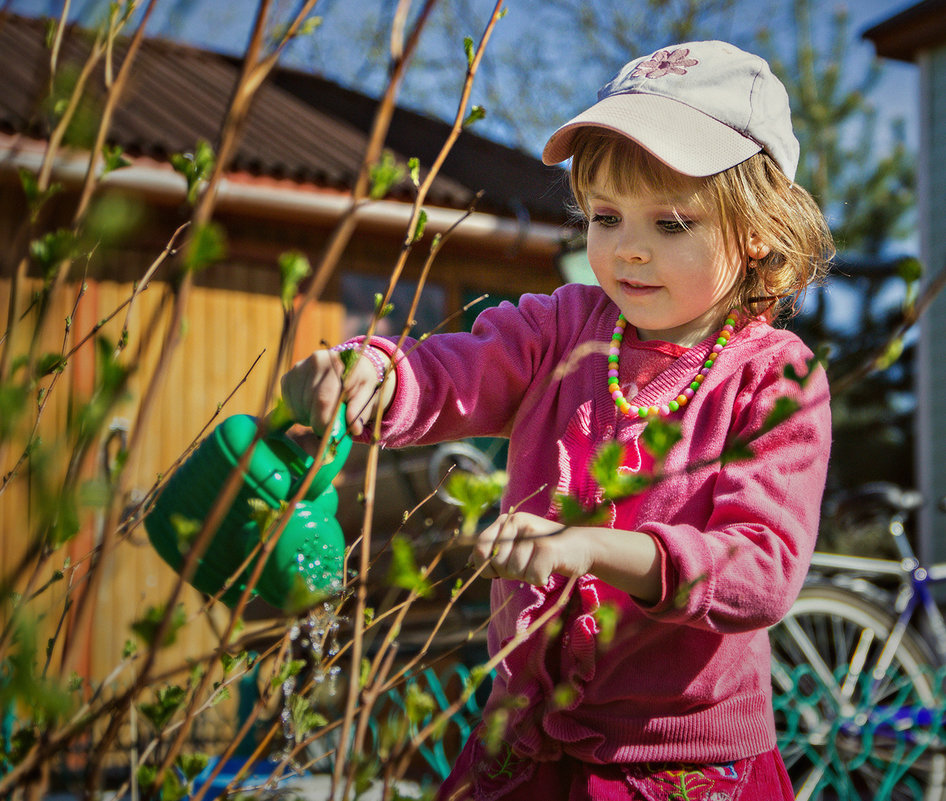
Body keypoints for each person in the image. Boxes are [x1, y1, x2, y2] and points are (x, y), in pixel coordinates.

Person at [282, 40, 833, 801]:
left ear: (760, 230)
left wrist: (591, 547)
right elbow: (453, 371)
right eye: (606, 216)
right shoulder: (563, 329)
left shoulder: (775, 376)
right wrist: (371, 371)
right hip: (525, 746)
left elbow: (761, 569)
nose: (629, 249)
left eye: (672, 222)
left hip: (679, 763)